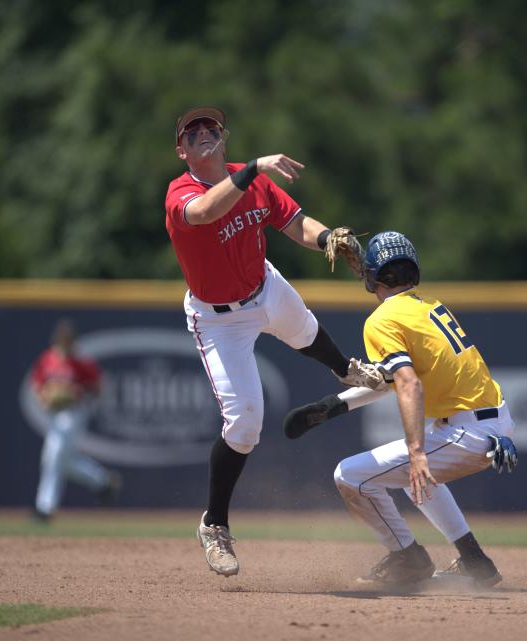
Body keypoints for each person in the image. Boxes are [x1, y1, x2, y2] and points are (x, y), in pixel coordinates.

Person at [164, 106, 386, 578]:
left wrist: (329, 237)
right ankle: (215, 524)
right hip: (217, 319)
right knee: (245, 424)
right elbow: (204, 213)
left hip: (263, 285)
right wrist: (251, 169)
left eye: (211, 128)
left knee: (305, 330)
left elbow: (295, 223)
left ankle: (346, 369)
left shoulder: (256, 183)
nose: (204, 134)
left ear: (223, 138)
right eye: (193, 132)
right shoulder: (182, 192)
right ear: (181, 150)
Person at [282, 231, 519, 588]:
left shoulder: (382, 319)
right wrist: (334, 406)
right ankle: (474, 561)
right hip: (493, 424)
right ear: (414, 273)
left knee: (350, 477)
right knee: (414, 479)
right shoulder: (429, 305)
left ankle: (408, 558)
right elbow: (396, 379)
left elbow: (408, 383)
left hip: (467, 432)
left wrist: (417, 450)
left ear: (372, 277)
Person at [30, 319, 121, 523]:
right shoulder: (48, 360)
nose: (65, 342)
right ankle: (103, 482)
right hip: (53, 414)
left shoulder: (81, 363)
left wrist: (76, 392)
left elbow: (99, 387)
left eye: (68, 339)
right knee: (63, 460)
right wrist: (45, 397)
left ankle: (45, 507)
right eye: (62, 339)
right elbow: (37, 385)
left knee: (53, 455)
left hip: (73, 413)